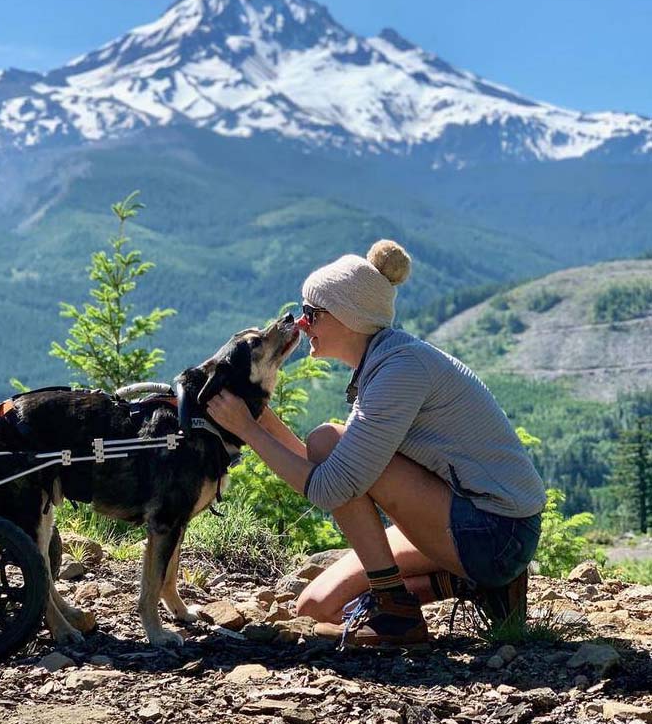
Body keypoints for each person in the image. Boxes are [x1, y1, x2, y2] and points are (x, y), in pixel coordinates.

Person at [206, 239, 546, 648]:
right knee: (316, 607)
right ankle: (478, 587)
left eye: (312, 313)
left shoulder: (399, 372)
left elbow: (331, 486)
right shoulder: (383, 364)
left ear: (347, 317)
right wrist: (257, 416)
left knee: (327, 440)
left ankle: (397, 613)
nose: (301, 324)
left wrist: (248, 430)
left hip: (497, 532)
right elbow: (323, 472)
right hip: (472, 518)